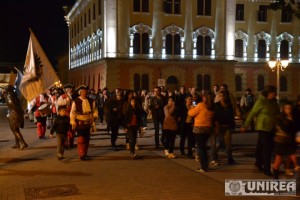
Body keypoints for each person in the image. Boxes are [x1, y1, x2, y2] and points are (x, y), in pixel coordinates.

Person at [241, 85, 279, 177]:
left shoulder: (274, 102)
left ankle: (258, 163)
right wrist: (245, 125)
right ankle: (266, 169)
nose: (275, 95)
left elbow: (277, 114)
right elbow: (252, 113)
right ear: (268, 93)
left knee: (260, 147)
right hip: (263, 128)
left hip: (272, 128)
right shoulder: (261, 102)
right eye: (273, 93)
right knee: (267, 149)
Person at [188, 92, 215, 172]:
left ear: (205, 98)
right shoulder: (212, 107)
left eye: (203, 96)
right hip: (208, 128)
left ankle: (204, 167)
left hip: (199, 128)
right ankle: (206, 165)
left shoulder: (201, 105)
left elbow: (191, 113)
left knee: (201, 148)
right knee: (204, 148)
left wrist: (192, 107)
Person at [70, 85, 98, 160]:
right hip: (80, 122)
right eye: (84, 91)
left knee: (87, 139)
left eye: (86, 91)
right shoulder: (76, 101)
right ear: (80, 92)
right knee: (81, 138)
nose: (85, 93)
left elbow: (95, 110)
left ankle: (85, 153)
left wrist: (95, 116)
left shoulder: (91, 101)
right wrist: (72, 121)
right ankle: (81, 153)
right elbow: (72, 113)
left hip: (89, 122)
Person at [273, 101, 299, 179]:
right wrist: (289, 119)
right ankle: (275, 178)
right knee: (278, 160)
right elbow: (285, 129)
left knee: (292, 155)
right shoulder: (280, 117)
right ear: (283, 109)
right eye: (287, 108)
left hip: (290, 141)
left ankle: (293, 167)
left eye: (290, 108)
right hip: (281, 141)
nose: (289, 110)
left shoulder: (294, 117)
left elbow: (295, 129)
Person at [214, 91, 237, 165]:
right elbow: (215, 117)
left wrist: (232, 126)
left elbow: (231, 116)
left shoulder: (229, 105)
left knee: (228, 144)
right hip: (219, 127)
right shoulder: (216, 105)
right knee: (218, 143)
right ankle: (214, 157)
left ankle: (230, 159)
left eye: (223, 95)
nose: (222, 97)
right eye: (220, 96)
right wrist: (216, 127)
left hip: (227, 127)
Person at [3, 85, 28, 149]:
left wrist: (11, 112)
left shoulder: (9, 95)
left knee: (15, 130)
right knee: (16, 128)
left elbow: (11, 104)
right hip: (16, 113)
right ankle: (17, 144)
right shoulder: (14, 95)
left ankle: (23, 143)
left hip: (13, 114)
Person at [58, 84, 77, 148]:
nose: (71, 89)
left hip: (73, 115)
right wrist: (66, 101)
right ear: (66, 90)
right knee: (65, 130)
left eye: (71, 88)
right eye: (69, 88)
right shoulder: (63, 96)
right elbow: (58, 103)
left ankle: (71, 143)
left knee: (72, 129)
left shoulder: (75, 96)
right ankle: (65, 144)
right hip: (66, 115)